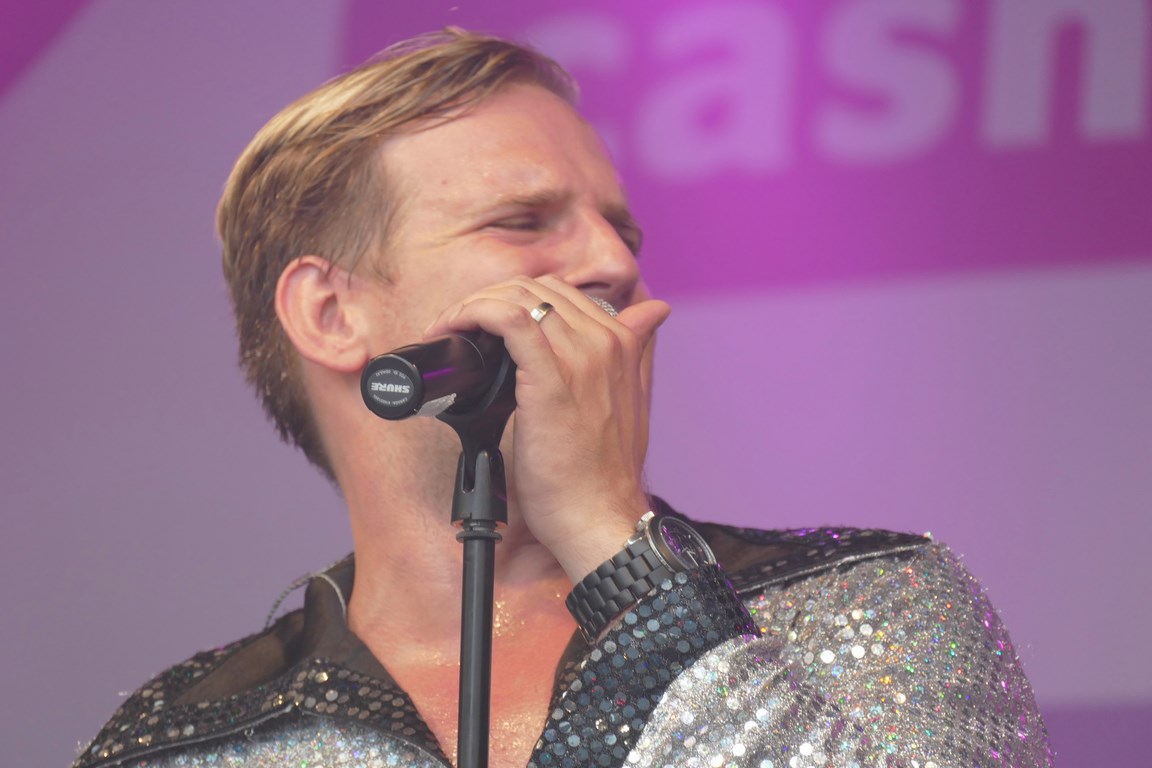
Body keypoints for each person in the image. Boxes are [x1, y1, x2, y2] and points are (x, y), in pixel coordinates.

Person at [75, 29, 1053, 768]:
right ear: (331, 314)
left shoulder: (867, 596)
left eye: (624, 231)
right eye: (523, 221)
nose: (613, 263)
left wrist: (614, 543)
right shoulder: (187, 739)